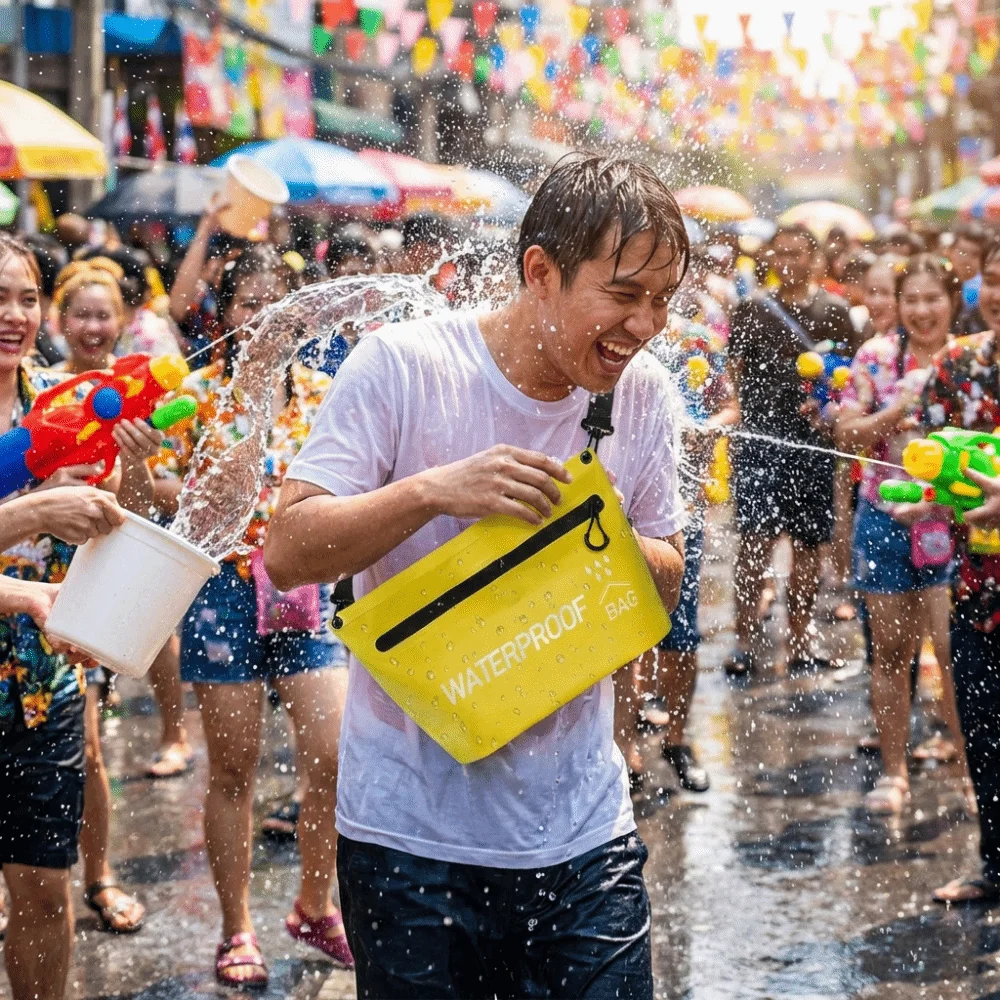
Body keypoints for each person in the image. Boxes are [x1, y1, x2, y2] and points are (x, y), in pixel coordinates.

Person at [265, 154, 687, 999]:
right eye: (623, 294)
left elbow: (668, 582)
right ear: (541, 271)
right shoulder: (402, 366)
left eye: (662, 301)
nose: (645, 326)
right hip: (408, 838)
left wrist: (598, 541)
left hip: (582, 830)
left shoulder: (643, 398)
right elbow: (289, 548)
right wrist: (431, 492)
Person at [155, 244, 352, 987]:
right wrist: (155, 472)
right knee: (233, 769)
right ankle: (238, 927)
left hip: (303, 590)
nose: (265, 317)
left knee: (332, 755)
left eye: (280, 304)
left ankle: (312, 903)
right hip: (222, 596)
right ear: (226, 313)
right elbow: (159, 493)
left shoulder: (323, 393)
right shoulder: (199, 394)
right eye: (249, 303)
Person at [0, 232, 148, 1000]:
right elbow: (46, 520)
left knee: (40, 887)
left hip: (45, 681)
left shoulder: (59, 401)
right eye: (0, 297)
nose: (15, 314)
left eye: (27, 296)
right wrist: (37, 514)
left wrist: (133, 469)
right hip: (29, 633)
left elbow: (113, 517)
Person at [836, 254, 968, 815]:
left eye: (931, 298)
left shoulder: (972, 360)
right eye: (910, 299)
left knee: (959, 653)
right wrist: (899, 409)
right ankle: (894, 773)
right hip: (885, 522)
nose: (921, 310)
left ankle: (969, 769)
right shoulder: (875, 357)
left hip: (959, 527)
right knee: (890, 652)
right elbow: (846, 430)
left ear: (951, 301)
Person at [726, 224, 855, 677]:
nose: (789, 261)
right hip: (761, 440)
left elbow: (848, 377)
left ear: (815, 257)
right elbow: (737, 374)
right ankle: (742, 639)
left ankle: (799, 638)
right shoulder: (751, 309)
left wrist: (825, 403)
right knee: (755, 543)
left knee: (808, 546)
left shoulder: (836, 311)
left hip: (812, 443)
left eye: (798, 253)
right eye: (781, 253)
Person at [921, 236, 1000, 904]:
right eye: (995, 281)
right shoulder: (957, 365)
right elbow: (929, 452)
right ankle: (994, 862)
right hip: (977, 587)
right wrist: (923, 494)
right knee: (982, 727)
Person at [628, 314, 738, 794]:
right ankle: (625, 743)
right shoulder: (607, 339)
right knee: (620, 637)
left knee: (682, 636)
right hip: (616, 513)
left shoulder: (697, 344)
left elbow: (731, 407)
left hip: (679, 515)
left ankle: (676, 738)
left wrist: (705, 428)